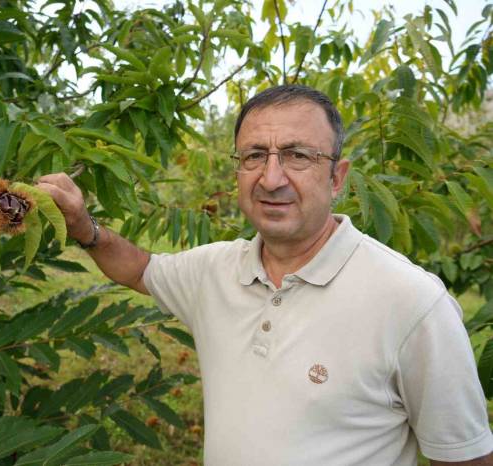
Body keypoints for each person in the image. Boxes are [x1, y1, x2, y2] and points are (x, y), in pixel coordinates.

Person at [37, 85, 493, 465]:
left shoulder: (412, 302)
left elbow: (465, 457)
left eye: (297, 156)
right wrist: (85, 227)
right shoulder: (213, 270)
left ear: (337, 178)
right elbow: (141, 268)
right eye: (255, 155)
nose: (271, 178)